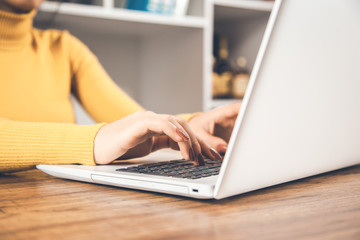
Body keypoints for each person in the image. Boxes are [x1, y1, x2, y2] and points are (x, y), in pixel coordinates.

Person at [0, 0, 240, 173]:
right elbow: (107, 137)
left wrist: (187, 126)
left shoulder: (62, 47)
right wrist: (93, 141)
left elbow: (134, 123)